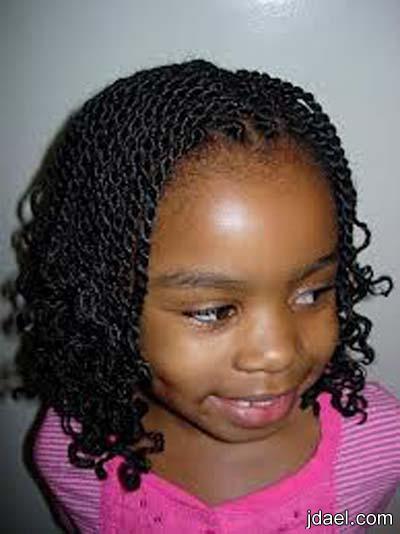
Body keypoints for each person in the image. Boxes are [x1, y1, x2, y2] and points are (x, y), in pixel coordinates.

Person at [1, 58, 399, 533]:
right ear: (105, 301)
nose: (279, 352)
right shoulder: (75, 458)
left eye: (312, 293)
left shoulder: (377, 448)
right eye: (214, 311)